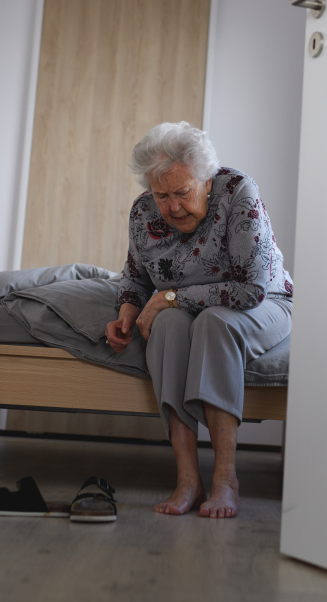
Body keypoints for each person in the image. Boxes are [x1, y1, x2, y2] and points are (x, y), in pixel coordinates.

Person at [105, 122, 293, 518]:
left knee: (215, 323)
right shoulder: (143, 213)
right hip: (185, 307)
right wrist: (127, 313)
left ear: (207, 181)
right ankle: (188, 479)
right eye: (162, 195)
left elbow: (251, 289)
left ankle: (226, 480)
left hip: (265, 302)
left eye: (182, 192)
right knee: (168, 326)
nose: (172, 207)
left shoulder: (239, 193)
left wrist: (171, 296)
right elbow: (136, 277)